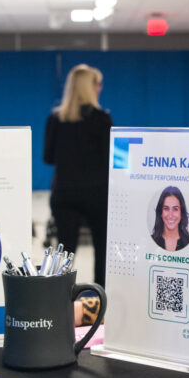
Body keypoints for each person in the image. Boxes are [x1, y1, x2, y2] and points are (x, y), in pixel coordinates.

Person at [43, 64, 112, 287]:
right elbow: (114, 159)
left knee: (65, 249)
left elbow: (48, 157)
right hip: (97, 194)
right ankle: (99, 297)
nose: (100, 88)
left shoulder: (56, 119)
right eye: (98, 84)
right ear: (91, 87)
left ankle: (59, 299)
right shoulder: (103, 119)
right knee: (102, 248)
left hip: (64, 193)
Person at [150, 186, 189, 251]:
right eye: (166, 208)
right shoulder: (150, 241)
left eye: (175, 209)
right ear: (161, 212)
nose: (170, 215)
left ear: (181, 212)